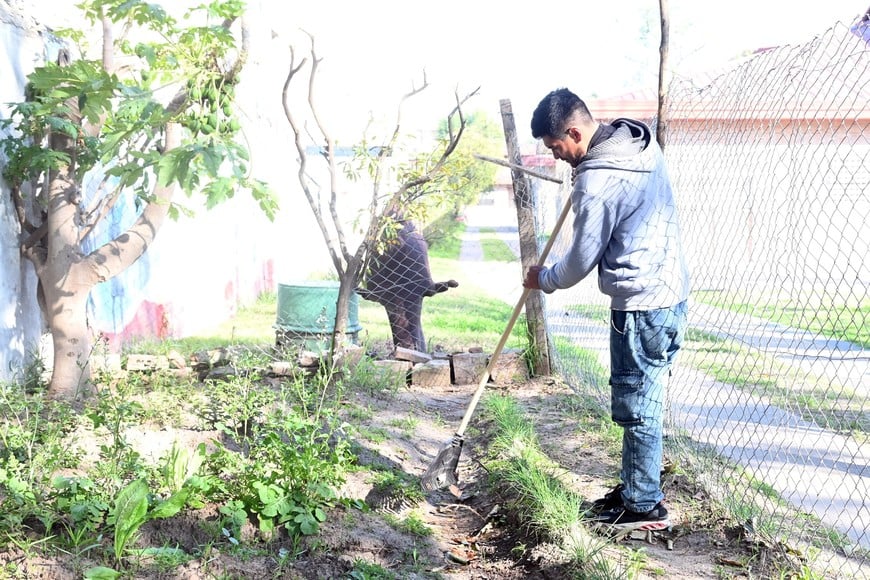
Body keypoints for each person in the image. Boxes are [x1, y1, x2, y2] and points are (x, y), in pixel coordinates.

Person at [523, 88, 689, 532]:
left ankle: (643, 507)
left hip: (641, 304)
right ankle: (638, 487)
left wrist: (545, 279)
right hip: (670, 292)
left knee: (638, 406)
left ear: (574, 131)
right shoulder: (636, 142)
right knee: (644, 398)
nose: (557, 157)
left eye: (557, 147)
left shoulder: (596, 181)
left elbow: (580, 260)